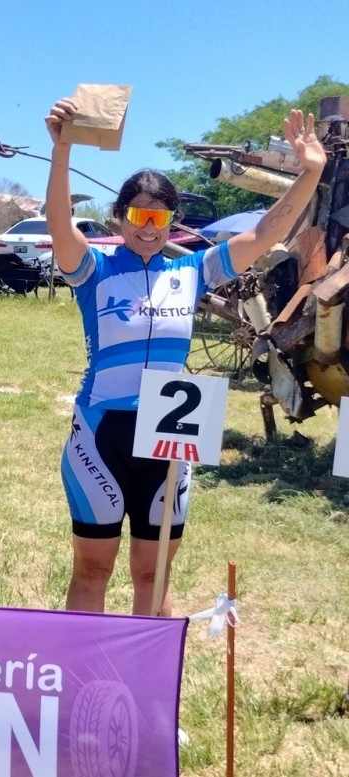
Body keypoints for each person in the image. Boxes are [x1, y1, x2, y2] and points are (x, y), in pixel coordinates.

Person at [45, 98, 327, 616]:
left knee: (153, 575)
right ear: (119, 217)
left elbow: (265, 232)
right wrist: (62, 149)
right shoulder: (94, 271)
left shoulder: (193, 270)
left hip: (170, 437)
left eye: (159, 216)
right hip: (101, 432)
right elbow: (60, 225)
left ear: (172, 220)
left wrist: (309, 173)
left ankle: (148, 669)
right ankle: (83, 666)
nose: (148, 227)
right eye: (138, 215)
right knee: (92, 570)